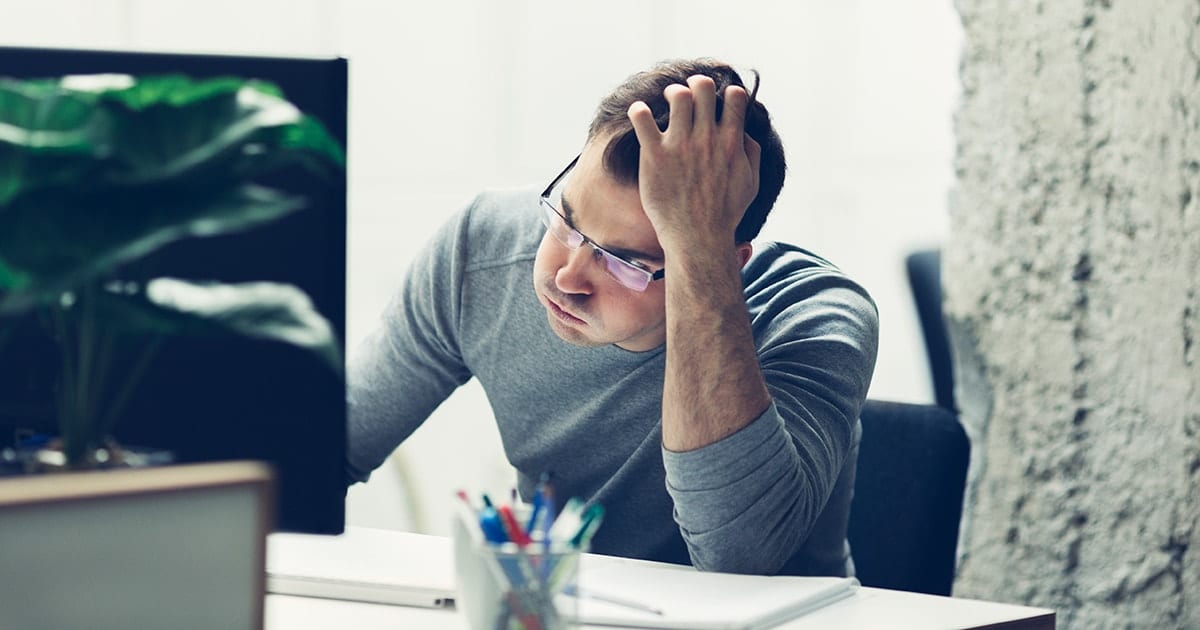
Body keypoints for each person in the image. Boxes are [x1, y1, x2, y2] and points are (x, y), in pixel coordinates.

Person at [346, 58, 879, 576]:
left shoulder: (818, 315)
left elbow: (738, 558)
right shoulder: (480, 250)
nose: (567, 278)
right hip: (554, 607)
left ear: (728, 261)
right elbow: (324, 451)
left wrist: (698, 249)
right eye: (567, 219)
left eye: (625, 261)